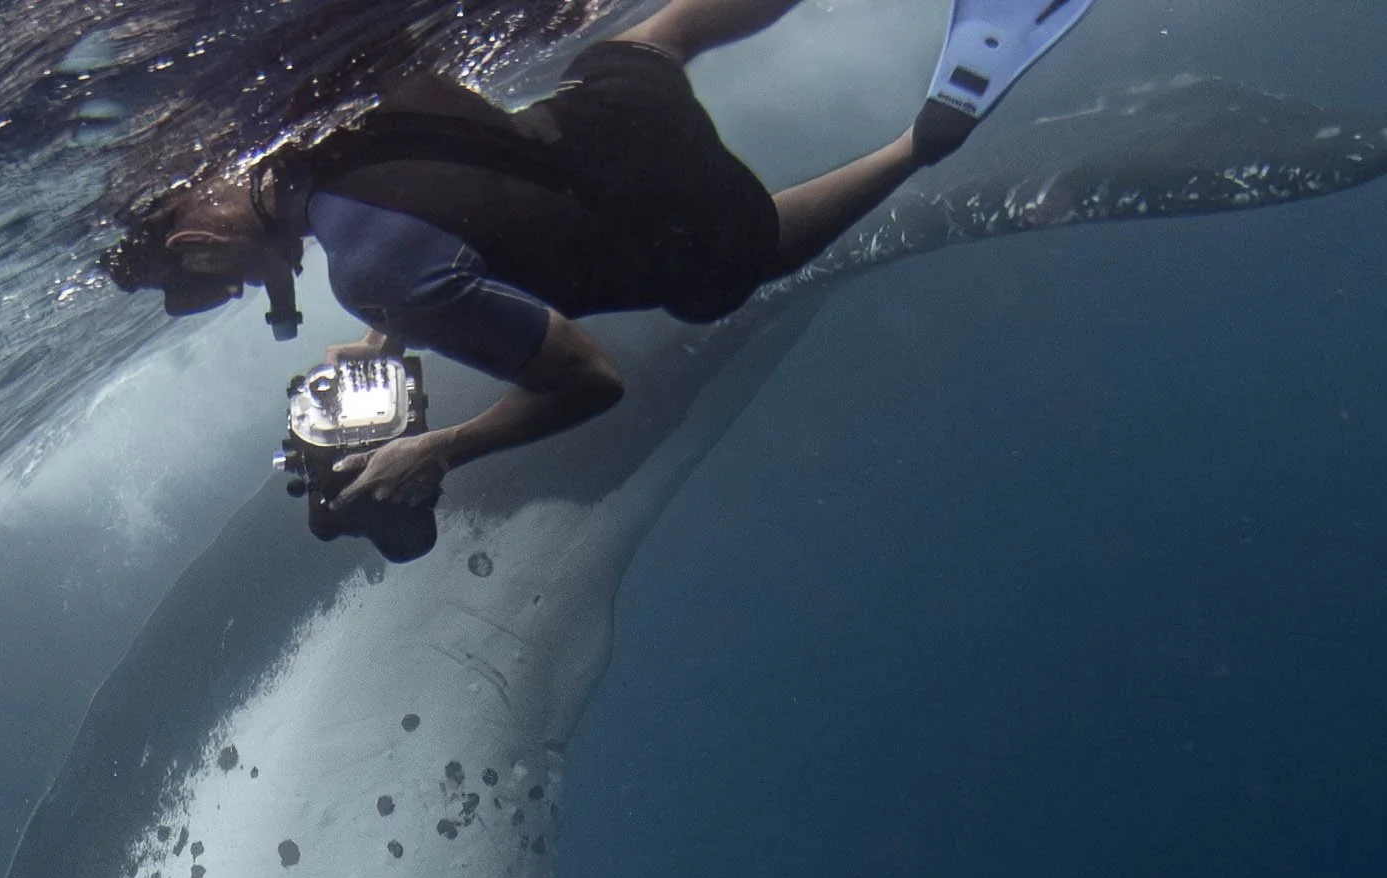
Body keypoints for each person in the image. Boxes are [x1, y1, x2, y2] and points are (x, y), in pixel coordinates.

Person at [103, 1, 1101, 514]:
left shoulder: (370, 276)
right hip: (615, 111)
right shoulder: (317, 132)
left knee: (728, 276)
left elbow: (591, 382)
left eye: (204, 283)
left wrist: (435, 445)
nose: (230, 292)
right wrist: (389, 327)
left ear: (198, 239)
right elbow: (427, 210)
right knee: (659, 35)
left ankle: (921, 142)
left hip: (670, 220)